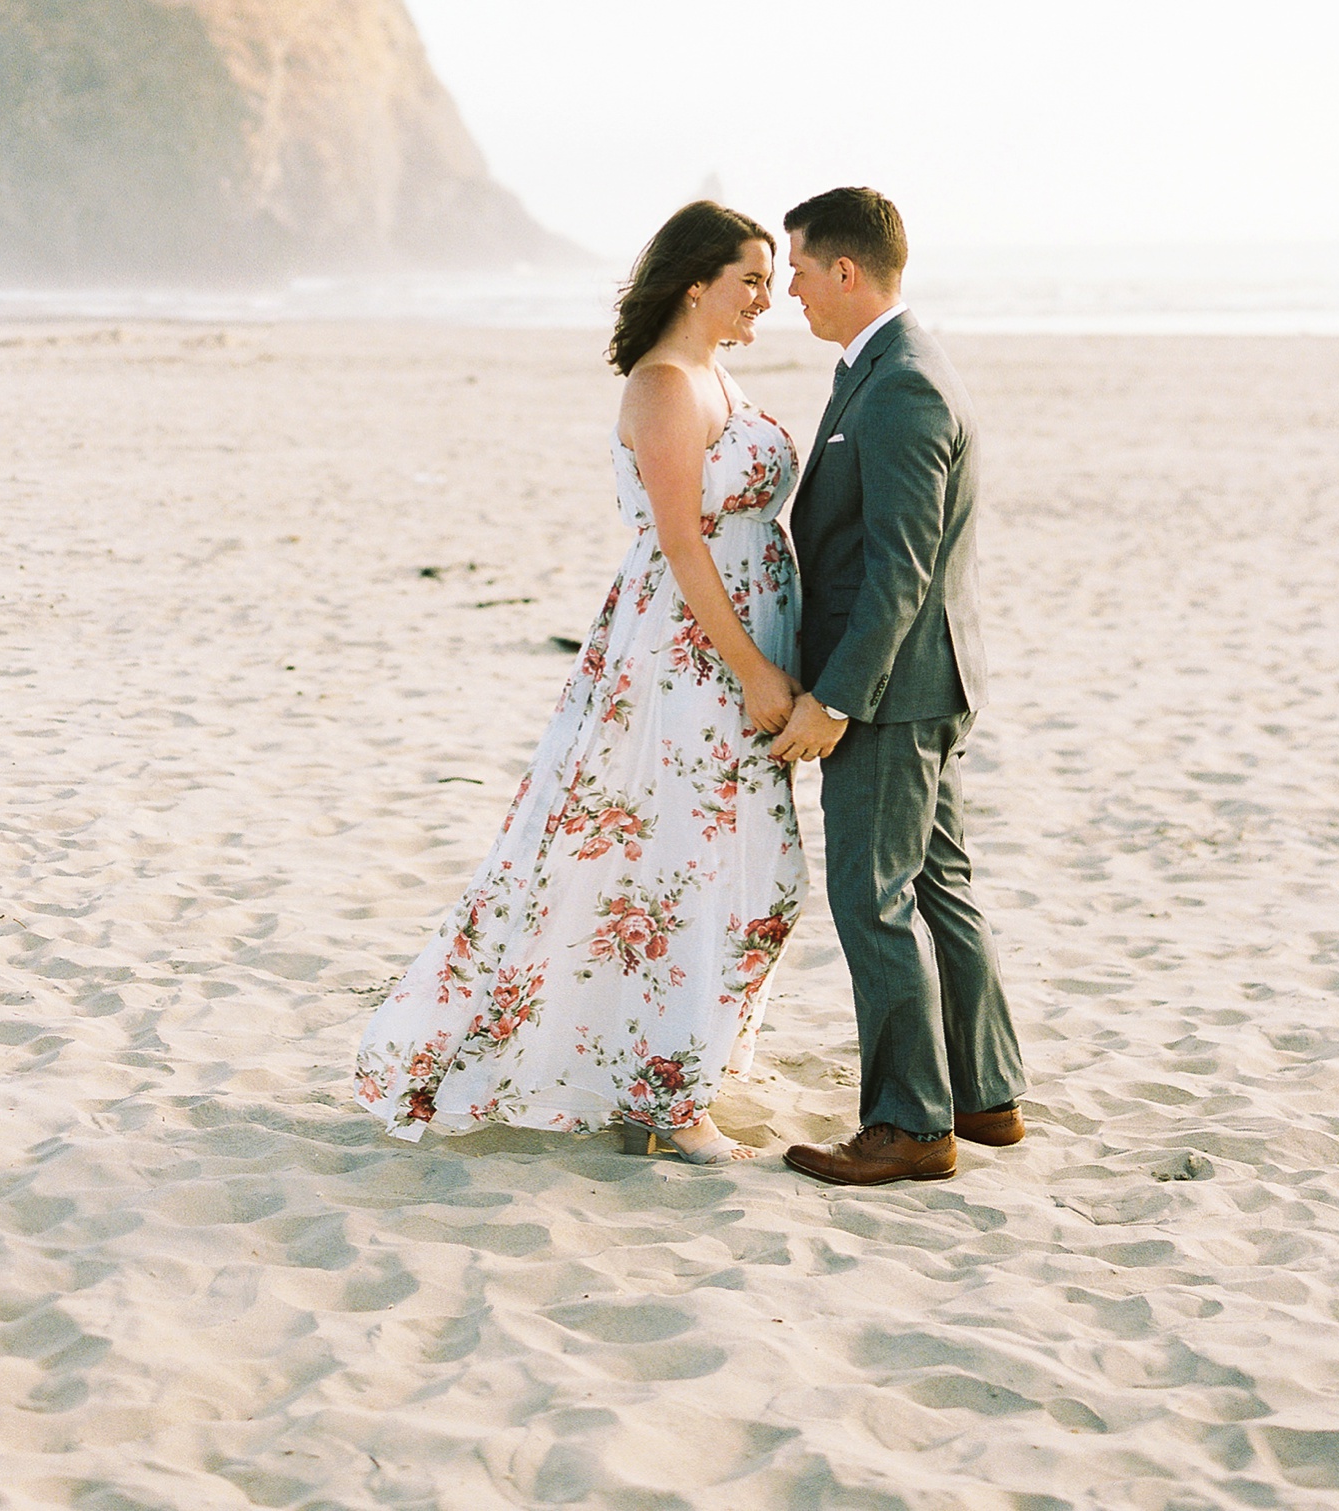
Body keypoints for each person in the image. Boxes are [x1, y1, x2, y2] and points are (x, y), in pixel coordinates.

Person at [354, 202, 813, 1164]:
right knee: (687, 860)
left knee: (727, 865)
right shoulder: (662, 385)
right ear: (697, 281)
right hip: (688, 658)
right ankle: (668, 1099)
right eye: (751, 280)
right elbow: (684, 545)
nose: (767, 298)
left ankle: (665, 1073)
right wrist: (755, 670)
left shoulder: (714, 373)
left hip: (726, 646)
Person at [763, 185, 1026, 1185]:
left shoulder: (904, 379)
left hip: (898, 693)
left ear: (845, 269)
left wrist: (837, 699)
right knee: (942, 889)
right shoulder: (880, 366)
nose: (789, 288)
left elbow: (900, 566)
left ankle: (913, 1125)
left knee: (871, 900)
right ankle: (986, 1096)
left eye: (796, 268)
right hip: (930, 682)